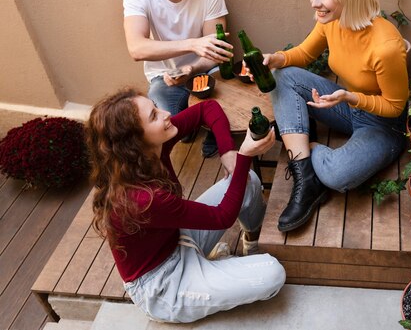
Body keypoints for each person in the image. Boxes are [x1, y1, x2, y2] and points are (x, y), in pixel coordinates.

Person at [85, 87, 285, 323]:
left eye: (155, 107)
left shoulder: (151, 148)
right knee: (272, 274)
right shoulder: (142, 199)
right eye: (154, 116)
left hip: (177, 240)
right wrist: (243, 156)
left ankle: (249, 245)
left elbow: (206, 108)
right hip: (164, 284)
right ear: (134, 140)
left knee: (248, 181)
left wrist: (227, 151)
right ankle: (198, 286)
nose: (166, 113)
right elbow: (222, 217)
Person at [262, 0, 409, 232]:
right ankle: (305, 176)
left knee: (337, 174)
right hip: (344, 104)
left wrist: (350, 97)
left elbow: (395, 107)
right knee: (283, 76)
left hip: (383, 124)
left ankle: (306, 149)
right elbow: (304, 54)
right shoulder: (330, 21)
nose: (315, 2)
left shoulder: (386, 46)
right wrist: (275, 59)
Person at [123, 0, 234, 158]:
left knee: (224, 89)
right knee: (172, 131)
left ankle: (210, 124)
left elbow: (218, 50)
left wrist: (192, 67)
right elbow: (136, 48)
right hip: (165, 78)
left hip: (205, 70)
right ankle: (195, 122)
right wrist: (192, 44)